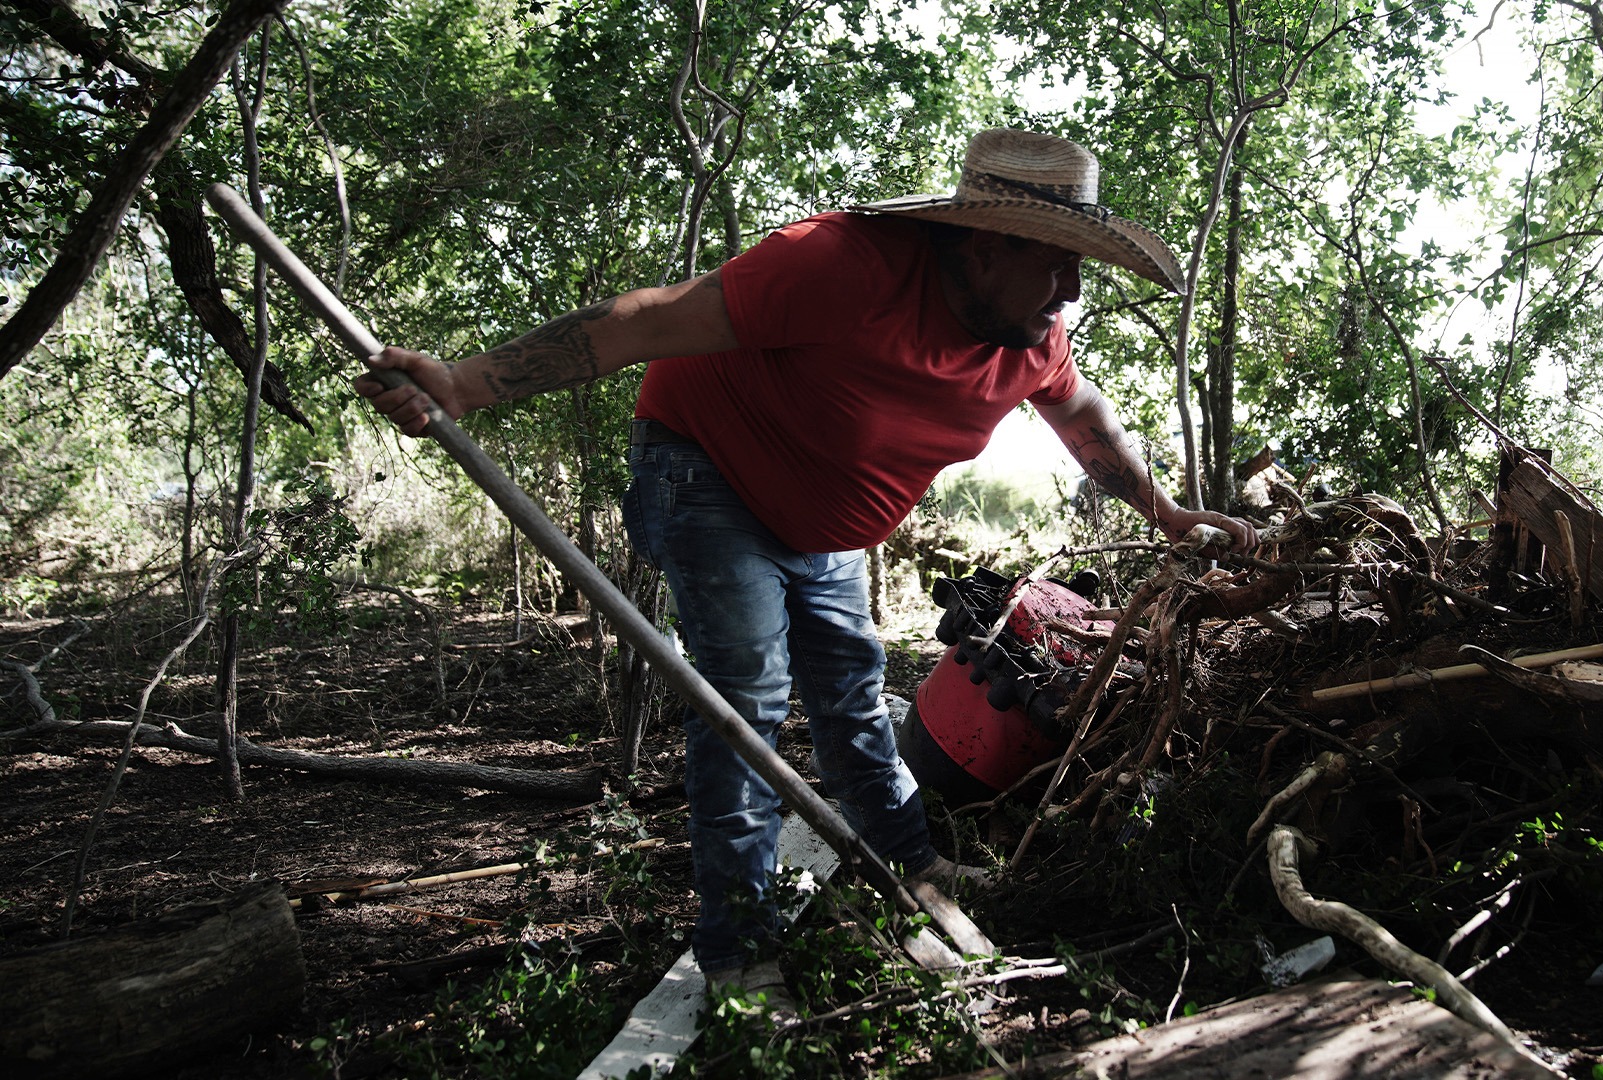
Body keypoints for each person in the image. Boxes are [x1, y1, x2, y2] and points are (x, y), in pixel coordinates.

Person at [357, 128, 1259, 1010]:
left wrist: (1168, 515)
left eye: (1078, 269)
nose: (1070, 292)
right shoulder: (840, 265)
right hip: (707, 470)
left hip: (826, 523)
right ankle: (740, 948)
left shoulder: (1032, 337)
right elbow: (648, 320)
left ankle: (911, 863)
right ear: (987, 246)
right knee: (746, 702)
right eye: (1056, 265)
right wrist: (467, 382)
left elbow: (1083, 416)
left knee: (853, 689)